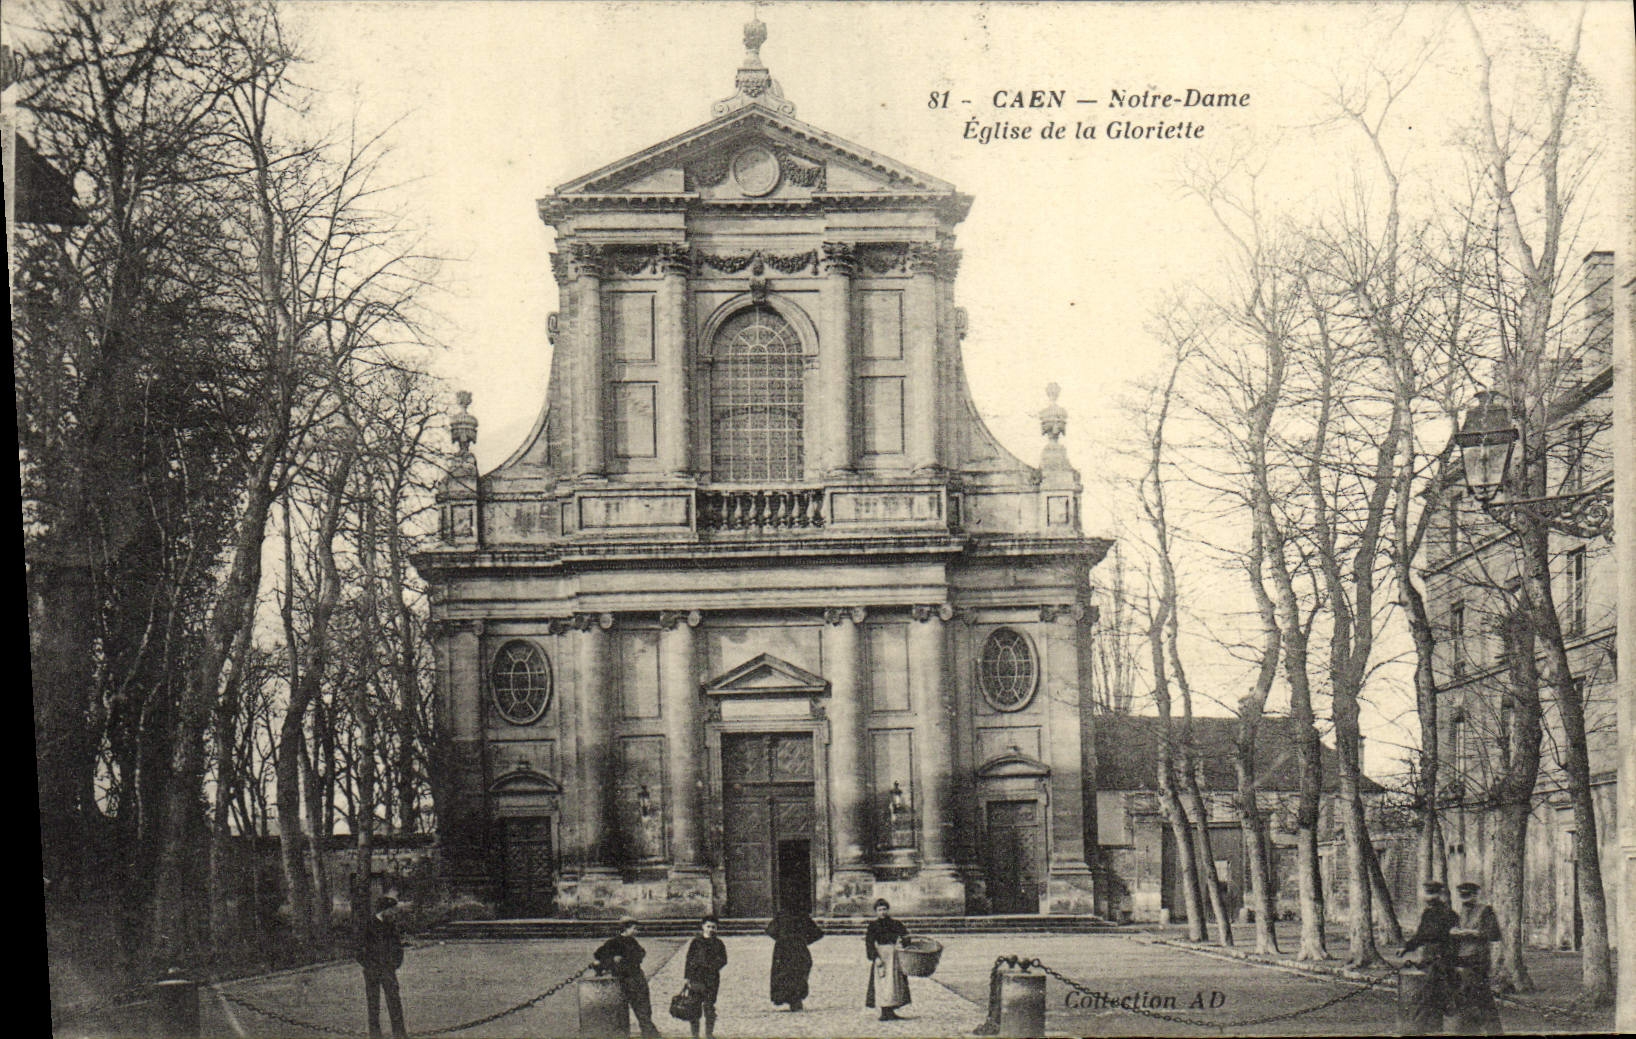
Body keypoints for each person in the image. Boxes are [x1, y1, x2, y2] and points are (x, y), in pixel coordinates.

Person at [1399, 881, 1459, 1036]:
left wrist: (1447, 959)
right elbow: (1420, 935)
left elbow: (1450, 939)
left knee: (1427, 995)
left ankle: (1417, 1030)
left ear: (1439, 895)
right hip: (1428, 958)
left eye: (1432, 893)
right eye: (1427, 893)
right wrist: (1407, 947)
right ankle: (1431, 1029)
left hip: (1440, 959)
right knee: (1433, 996)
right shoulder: (1427, 914)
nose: (1429, 897)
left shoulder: (1448, 915)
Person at [1449, 881, 1504, 1035]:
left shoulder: (1486, 911)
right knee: (1475, 997)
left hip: (1478, 960)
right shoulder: (1461, 912)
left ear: (1475, 895)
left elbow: (1494, 934)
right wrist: (1454, 932)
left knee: (1478, 997)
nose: (1465, 900)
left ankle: (1490, 1030)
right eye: (1462, 896)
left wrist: (1473, 933)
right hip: (1463, 959)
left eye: (1467, 896)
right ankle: (1481, 1030)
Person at [595, 918, 662, 1039]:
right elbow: (599, 955)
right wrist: (612, 960)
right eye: (634, 928)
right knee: (632, 1011)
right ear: (626, 928)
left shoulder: (632, 941)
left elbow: (641, 953)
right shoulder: (614, 942)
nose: (637, 931)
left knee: (644, 1010)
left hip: (637, 978)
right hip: (624, 979)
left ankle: (649, 1034)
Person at [356, 894, 409, 1039]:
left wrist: (395, 963)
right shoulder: (368, 925)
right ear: (384, 910)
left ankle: (399, 1033)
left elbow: (398, 946)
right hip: (372, 971)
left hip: (388, 970)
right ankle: (375, 1034)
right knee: (373, 1003)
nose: (394, 913)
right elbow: (358, 949)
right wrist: (369, 965)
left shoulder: (390, 926)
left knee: (394, 1001)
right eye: (392, 910)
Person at [765, 908, 824, 1010]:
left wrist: (781, 939)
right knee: (798, 971)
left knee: (785, 972)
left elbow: (770, 930)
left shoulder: (782, 916)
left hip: (783, 948)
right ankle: (795, 997)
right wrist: (804, 940)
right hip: (798, 947)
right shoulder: (802, 916)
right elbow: (817, 933)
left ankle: (788, 997)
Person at [863, 898, 910, 1021]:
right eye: (879, 910)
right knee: (883, 983)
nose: (882, 912)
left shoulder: (896, 924)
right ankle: (884, 1011)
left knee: (894, 982)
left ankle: (892, 1010)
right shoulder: (873, 926)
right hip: (881, 956)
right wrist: (875, 958)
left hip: (894, 955)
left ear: (888, 910)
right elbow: (869, 943)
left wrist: (903, 944)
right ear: (876, 912)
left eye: (884, 909)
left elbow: (906, 936)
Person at [682, 915, 728, 1039]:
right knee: (694, 1007)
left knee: (709, 1006)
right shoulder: (696, 942)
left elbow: (723, 959)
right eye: (708, 926)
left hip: (711, 979)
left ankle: (709, 1033)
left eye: (714, 927)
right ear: (703, 927)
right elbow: (689, 959)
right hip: (696, 979)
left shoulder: (718, 943)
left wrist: (712, 967)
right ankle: (695, 1034)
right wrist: (687, 977)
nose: (711, 929)